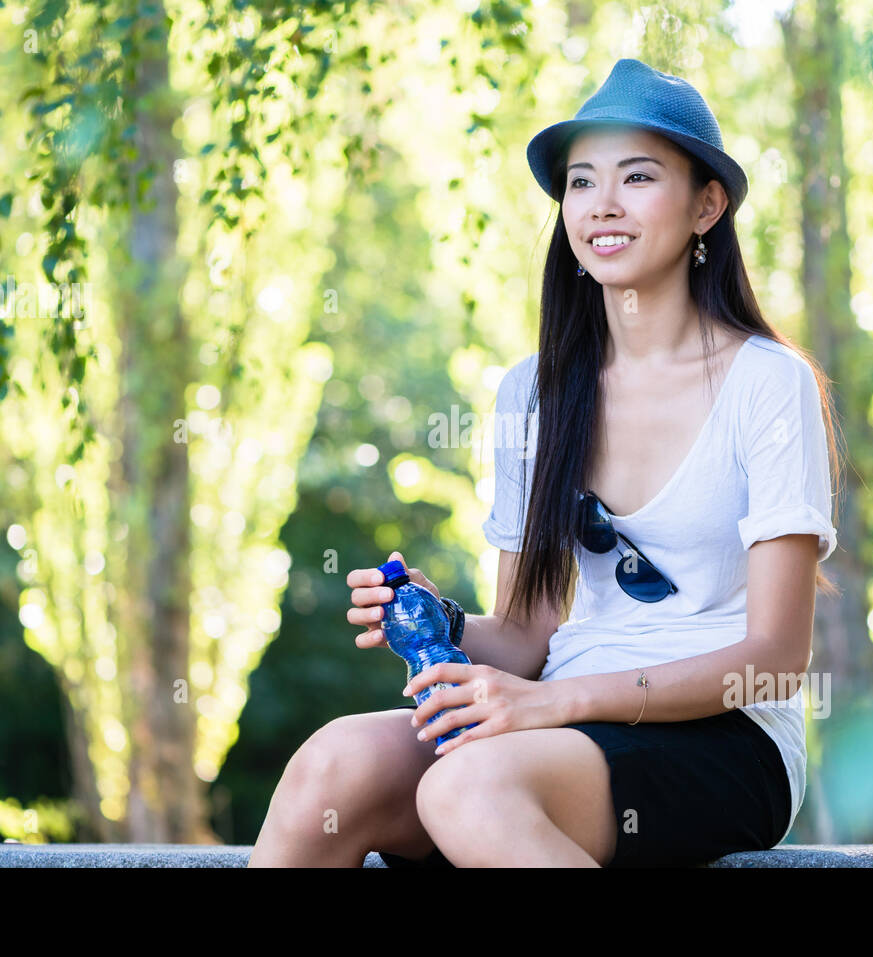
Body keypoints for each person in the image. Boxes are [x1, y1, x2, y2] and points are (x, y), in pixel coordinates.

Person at [247, 57, 842, 868]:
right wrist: (446, 623)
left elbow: (775, 660)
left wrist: (553, 701)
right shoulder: (532, 393)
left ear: (708, 205)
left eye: (638, 177)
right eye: (581, 181)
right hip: (556, 721)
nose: (602, 204)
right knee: (331, 765)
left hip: (724, 735)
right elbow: (527, 633)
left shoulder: (768, 383)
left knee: (466, 787)